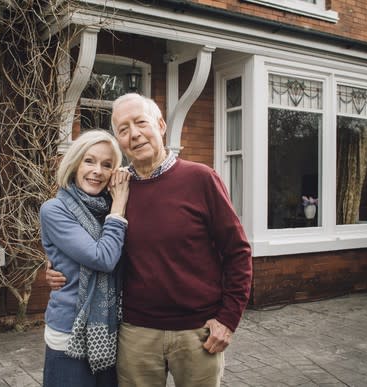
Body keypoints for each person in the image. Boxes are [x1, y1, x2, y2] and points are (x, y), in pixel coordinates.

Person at [46, 93, 253, 387]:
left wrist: (228, 319)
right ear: (119, 138)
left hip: (197, 333)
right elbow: (89, 241)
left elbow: (238, 252)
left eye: (140, 123)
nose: (134, 134)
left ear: (160, 125)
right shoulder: (114, 190)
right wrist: (56, 268)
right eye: (123, 129)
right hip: (134, 333)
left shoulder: (201, 179)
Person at [40, 130, 131, 387]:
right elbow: (102, 258)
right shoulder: (54, 209)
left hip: (111, 331)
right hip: (70, 332)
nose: (97, 171)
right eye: (89, 161)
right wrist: (118, 209)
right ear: (74, 163)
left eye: (107, 165)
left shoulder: (109, 206)